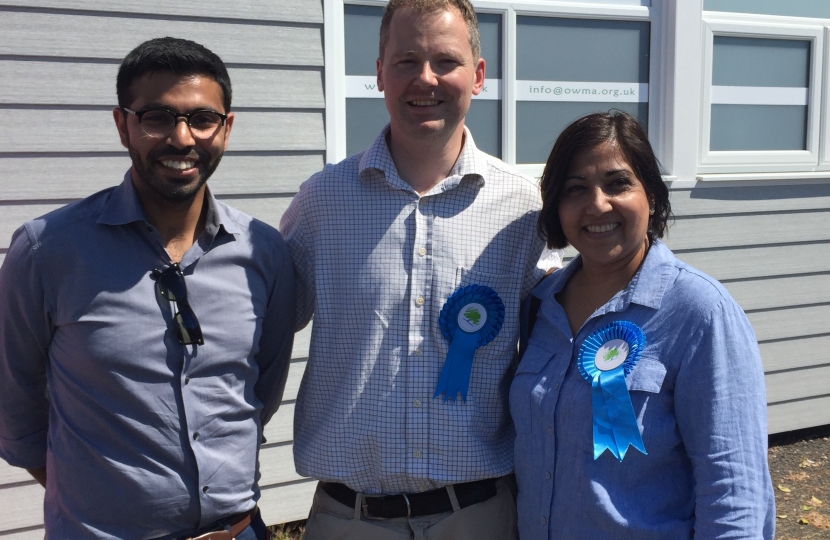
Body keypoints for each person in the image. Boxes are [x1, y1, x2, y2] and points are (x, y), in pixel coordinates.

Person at [280, 0, 560, 538]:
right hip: (348, 519)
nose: (425, 78)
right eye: (406, 60)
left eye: (445, 61)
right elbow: (261, 331)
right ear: (379, 73)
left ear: (478, 76)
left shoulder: (525, 208)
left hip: (478, 516)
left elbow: (556, 347)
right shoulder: (322, 202)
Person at [0, 37, 295, 539]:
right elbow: (14, 407)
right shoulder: (48, 251)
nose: (182, 139)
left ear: (226, 128)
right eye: (157, 117)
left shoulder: (264, 254)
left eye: (203, 119)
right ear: (123, 125)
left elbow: (259, 392)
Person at [510, 111, 775, 539]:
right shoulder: (540, 304)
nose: (597, 204)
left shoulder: (700, 311)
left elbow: (733, 487)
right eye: (575, 189)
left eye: (618, 183)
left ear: (651, 193)